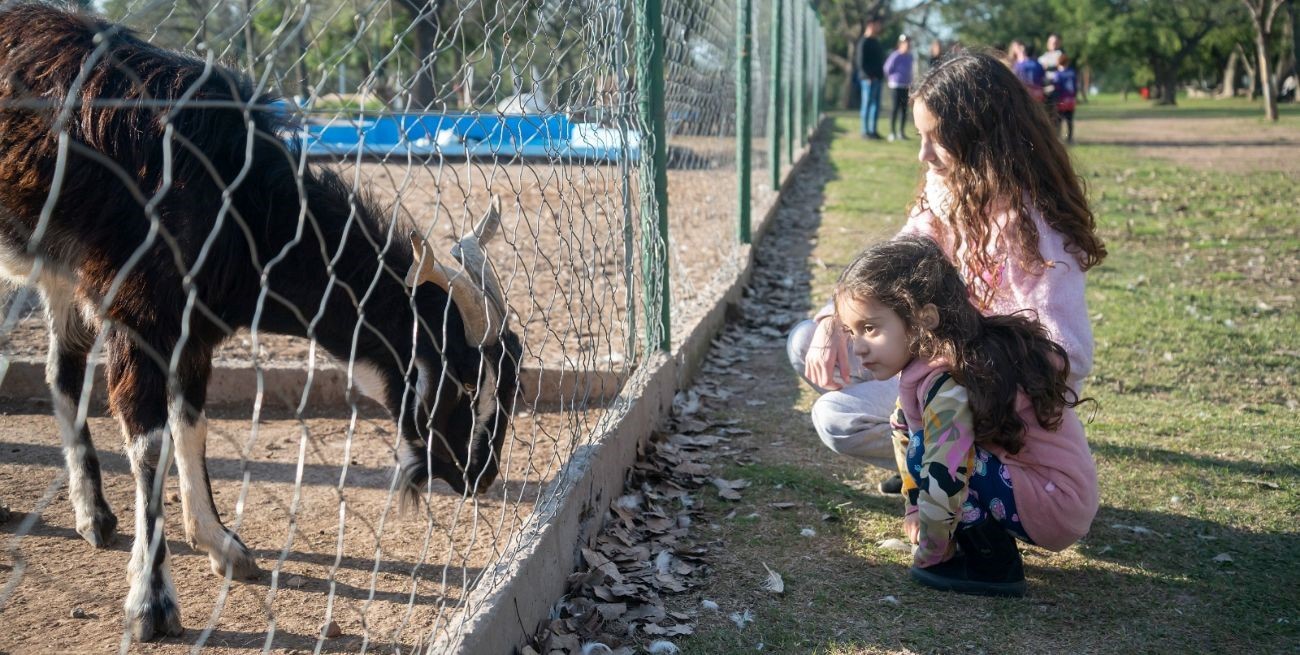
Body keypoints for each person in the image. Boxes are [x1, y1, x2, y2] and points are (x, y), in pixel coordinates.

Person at [786, 50, 1105, 494]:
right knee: (807, 341)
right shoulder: (947, 193)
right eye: (920, 136)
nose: (923, 154)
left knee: (836, 419)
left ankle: (948, 469)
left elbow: (1068, 354)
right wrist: (831, 320)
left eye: (936, 138)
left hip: (992, 387)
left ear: (979, 137)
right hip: (938, 361)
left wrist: (959, 372)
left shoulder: (1037, 227)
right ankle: (925, 460)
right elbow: (891, 263)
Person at [832, 236, 1099, 597]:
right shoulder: (940, 361)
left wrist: (931, 552)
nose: (858, 346)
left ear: (923, 319)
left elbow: (946, 470)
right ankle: (979, 543)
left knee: (933, 450)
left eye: (870, 328)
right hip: (1049, 496)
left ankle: (991, 564)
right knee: (914, 436)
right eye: (851, 331)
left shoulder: (948, 378)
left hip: (1055, 503)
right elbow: (903, 429)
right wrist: (914, 510)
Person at [857, 17, 886, 139]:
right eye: (877, 24)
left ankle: (873, 131)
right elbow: (860, 62)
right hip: (868, 80)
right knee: (867, 105)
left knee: (876, 106)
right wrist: (868, 77)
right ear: (870, 25)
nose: (879, 27)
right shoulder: (864, 42)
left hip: (878, 79)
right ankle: (865, 131)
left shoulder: (876, 42)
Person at [884, 35, 914, 141]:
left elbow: (911, 71)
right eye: (905, 42)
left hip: (906, 86)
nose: (907, 45)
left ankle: (901, 132)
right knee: (895, 109)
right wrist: (892, 78)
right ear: (900, 44)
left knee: (904, 110)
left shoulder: (910, 57)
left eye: (909, 43)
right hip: (896, 85)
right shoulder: (895, 55)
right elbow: (887, 68)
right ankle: (892, 133)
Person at [1054, 54, 1078, 144]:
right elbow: (1075, 86)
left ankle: (1058, 137)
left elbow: (1057, 88)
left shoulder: (1058, 74)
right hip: (1071, 100)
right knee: (1069, 120)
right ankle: (1070, 138)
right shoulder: (1072, 72)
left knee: (1059, 120)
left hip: (1062, 100)